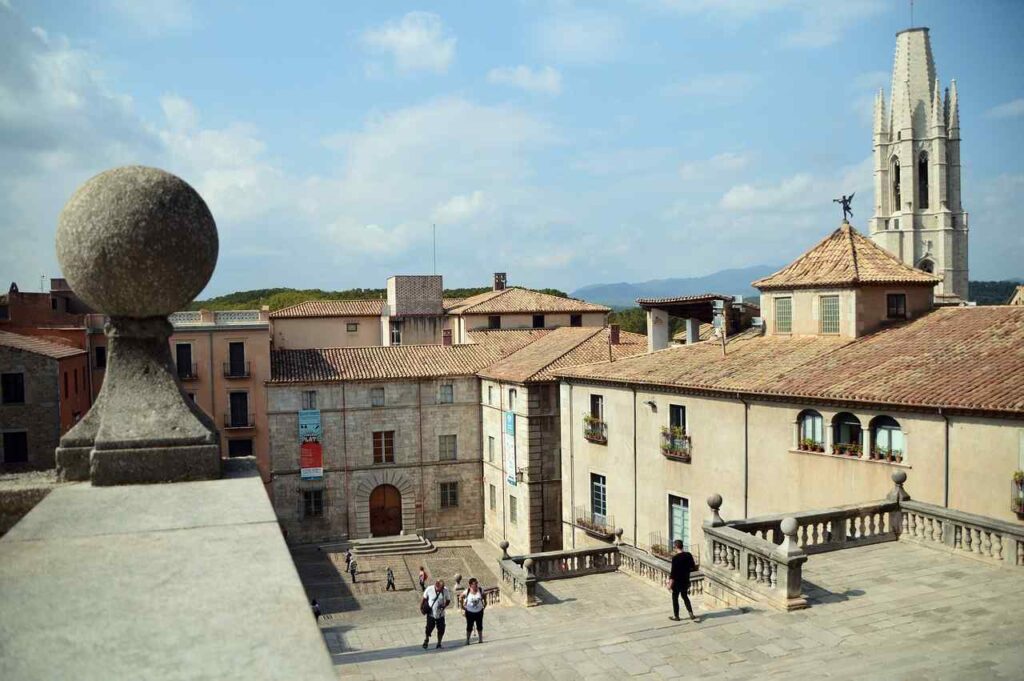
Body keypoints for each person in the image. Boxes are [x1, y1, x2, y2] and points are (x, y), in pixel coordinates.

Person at [667, 539, 698, 622]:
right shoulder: (688, 555)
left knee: (675, 598)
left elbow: (673, 573)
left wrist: (670, 584)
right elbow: (693, 567)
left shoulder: (675, 558)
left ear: (676, 547)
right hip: (685, 580)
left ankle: (676, 616)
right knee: (685, 596)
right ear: (682, 546)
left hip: (677, 582)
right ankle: (691, 613)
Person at [422, 579, 451, 649]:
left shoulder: (445, 590)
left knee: (441, 629)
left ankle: (439, 643)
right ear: (436, 585)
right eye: (440, 588)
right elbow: (424, 599)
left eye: (442, 588)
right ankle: (426, 639)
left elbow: (448, 600)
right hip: (431, 614)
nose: (441, 590)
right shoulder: (429, 589)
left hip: (440, 614)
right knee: (429, 628)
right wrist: (421, 609)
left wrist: (444, 606)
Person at [462, 577, 486, 645]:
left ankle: (480, 639)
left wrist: (485, 603)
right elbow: (461, 596)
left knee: (479, 625)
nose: (476, 585)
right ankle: (467, 640)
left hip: (479, 611)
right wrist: (462, 606)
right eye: (475, 584)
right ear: (470, 585)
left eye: (476, 583)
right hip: (469, 612)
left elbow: (484, 595)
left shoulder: (480, 590)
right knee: (469, 626)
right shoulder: (467, 591)